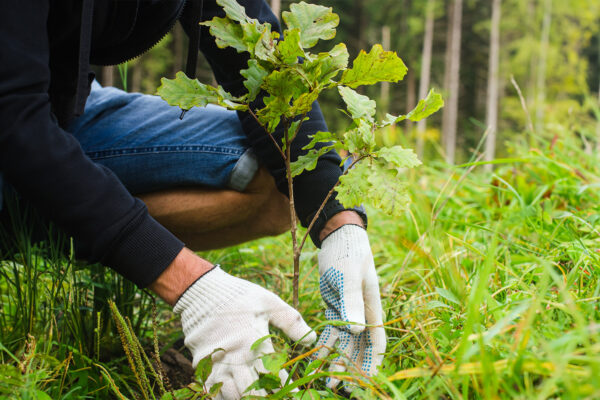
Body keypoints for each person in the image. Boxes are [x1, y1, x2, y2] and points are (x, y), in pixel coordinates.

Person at [0, 0, 386, 398]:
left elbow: (254, 42)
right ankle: (47, 211)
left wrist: (337, 219)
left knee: (281, 176)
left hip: (67, 100)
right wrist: (191, 285)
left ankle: (61, 208)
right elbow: (13, 117)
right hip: (14, 113)